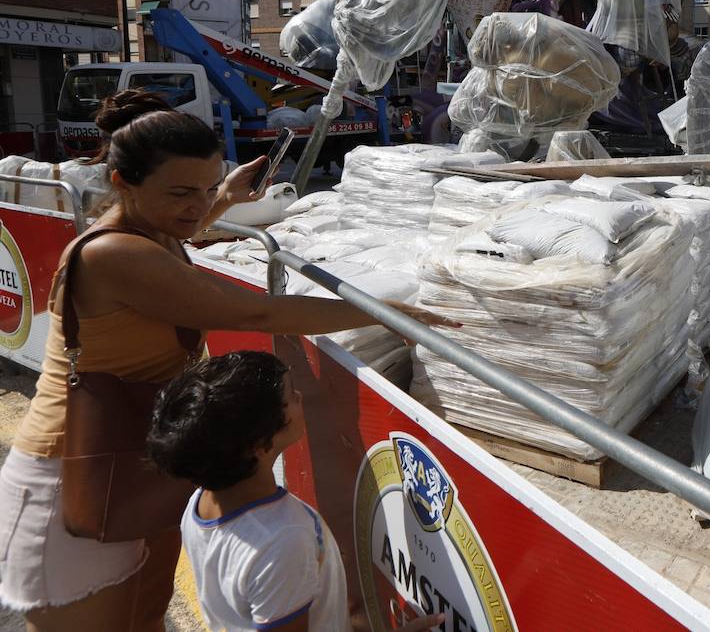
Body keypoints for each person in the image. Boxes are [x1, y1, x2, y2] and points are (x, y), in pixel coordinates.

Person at [0, 90, 434, 631]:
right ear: (121, 183)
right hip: (72, 472)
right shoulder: (116, 253)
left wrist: (223, 199)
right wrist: (381, 313)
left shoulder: (150, 231)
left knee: (143, 616)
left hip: (129, 462)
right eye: (182, 192)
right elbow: (257, 315)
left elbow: (181, 235)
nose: (198, 207)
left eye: (207, 189)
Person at [147, 352, 440, 632]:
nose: (299, 397)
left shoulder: (200, 504)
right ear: (260, 444)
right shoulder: (282, 541)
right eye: (290, 397)